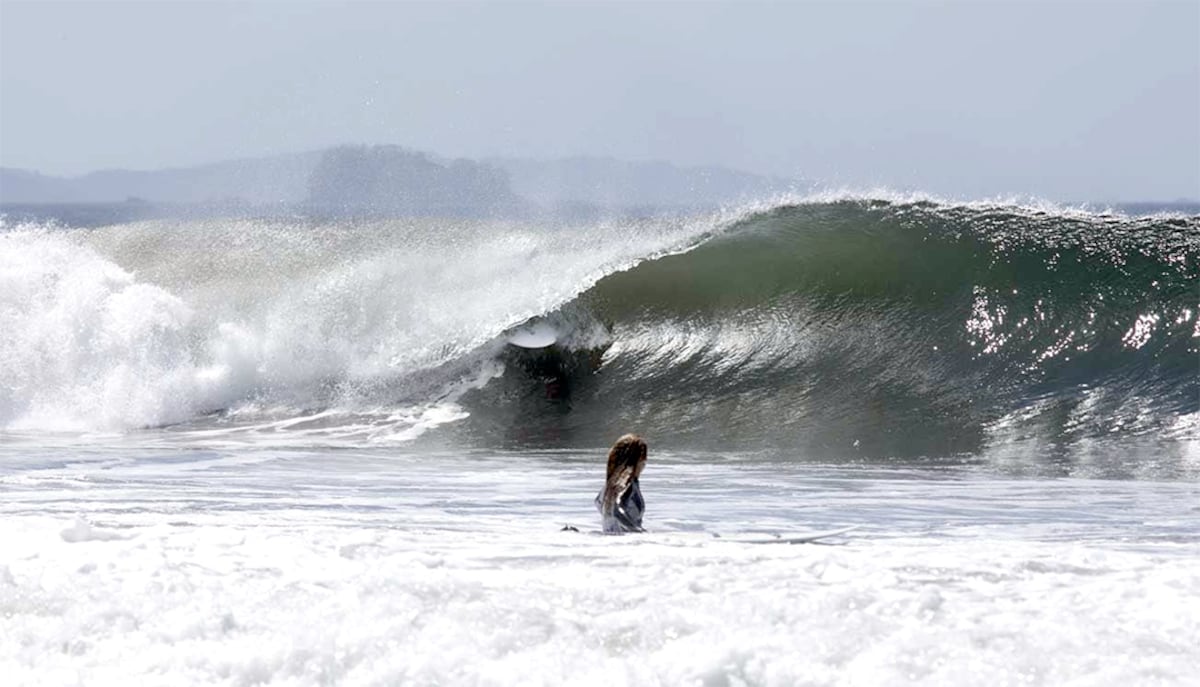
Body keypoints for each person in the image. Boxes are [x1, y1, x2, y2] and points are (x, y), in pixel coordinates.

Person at [595, 434, 647, 534]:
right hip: (627, 542)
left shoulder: (609, 487)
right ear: (638, 459)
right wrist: (635, 528)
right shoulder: (627, 485)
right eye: (644, 456)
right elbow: (616, 509)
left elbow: (598, 502)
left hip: (612, 541)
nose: (645, 462)